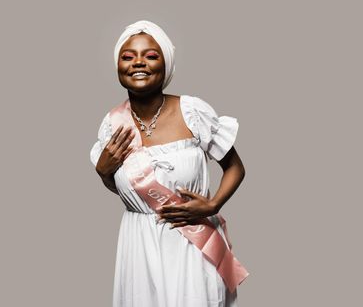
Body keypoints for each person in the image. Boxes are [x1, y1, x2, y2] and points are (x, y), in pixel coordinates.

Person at [90, 20, 247, 307]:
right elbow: (129, 190)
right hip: (138, 248)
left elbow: (235, 167)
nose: (139, 62)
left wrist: (213, 205)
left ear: (166, 65)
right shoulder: (112, 125)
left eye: (151, 55)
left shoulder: (192, 112)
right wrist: (103, 172)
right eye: (128, 56)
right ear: (118, 67)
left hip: (193, 244)